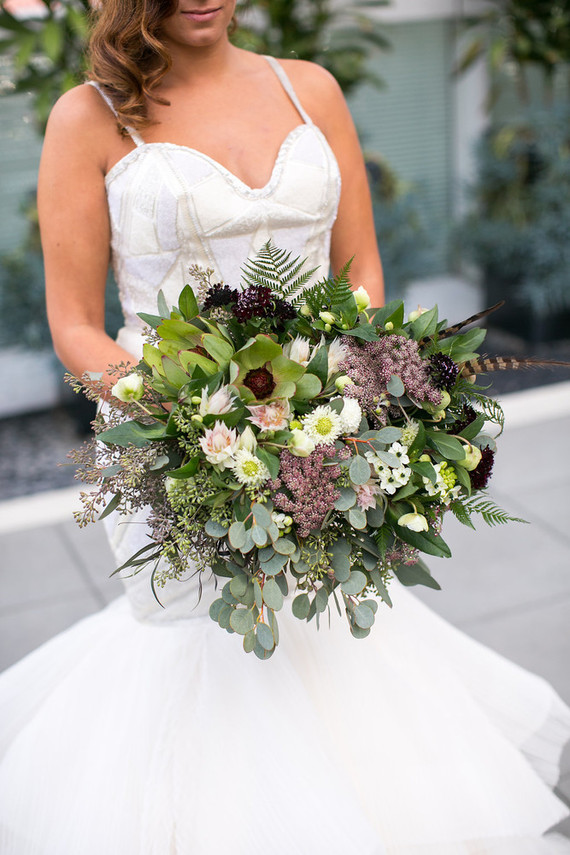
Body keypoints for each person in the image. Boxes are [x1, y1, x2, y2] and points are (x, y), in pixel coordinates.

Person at [1, 2, 569, 852]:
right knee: (202, 653)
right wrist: (194, 424)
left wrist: (347, 397)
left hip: (325, 437)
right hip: (174, 451)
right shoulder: (89, 116)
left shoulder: (310, 90)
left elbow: (360, 268)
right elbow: (77, 326)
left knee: (331, 634)